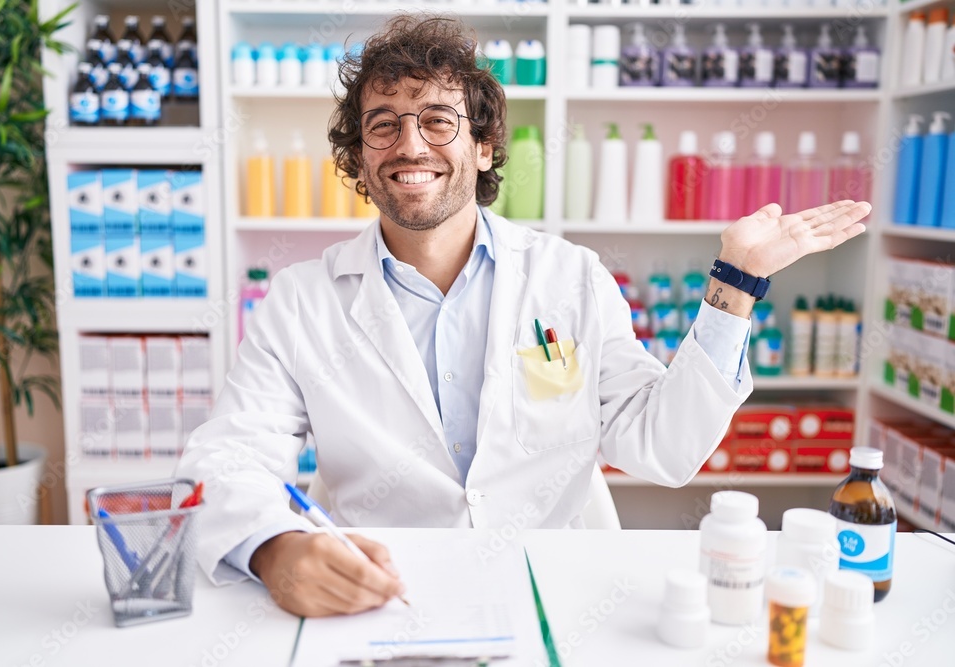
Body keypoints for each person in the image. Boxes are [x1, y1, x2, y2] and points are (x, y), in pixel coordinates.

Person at [176, 15, 869, 618]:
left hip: (555, 589)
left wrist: (735, 282)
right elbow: (229, 452)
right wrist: (270, 548)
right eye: (382, 126)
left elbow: (663, 445)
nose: (410, 145)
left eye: (438, 120)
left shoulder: (570, 277)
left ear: (482, 148)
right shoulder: (301, 300)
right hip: (381, 589)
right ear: (360, 158)